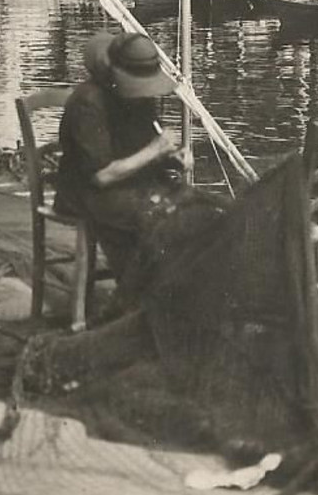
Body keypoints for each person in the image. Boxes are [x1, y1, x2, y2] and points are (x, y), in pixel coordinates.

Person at [56, 32, 213, 318]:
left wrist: (172, 160)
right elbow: (101, 176)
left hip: (131, 183)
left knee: (197, 208)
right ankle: (142, 299)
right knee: (154, 217)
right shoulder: (87, 104)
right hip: (87, 192)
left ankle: (172, 292)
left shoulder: (139, 98)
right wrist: (155, 150)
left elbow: (144, 150)